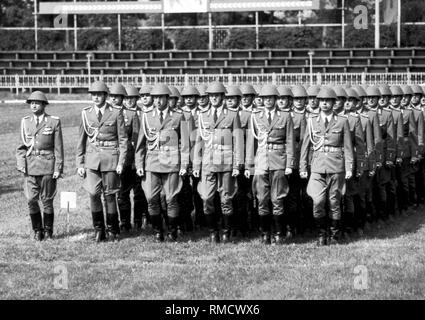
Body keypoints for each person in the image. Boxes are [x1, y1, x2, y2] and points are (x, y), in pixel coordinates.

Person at [135, 84, 190, 242]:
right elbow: (140, 144)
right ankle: (157, 230)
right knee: (151, 198)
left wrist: (184, 164)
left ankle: (172, 231)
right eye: (155, 98)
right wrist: (139, 165)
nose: (158, 101)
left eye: (161, 97)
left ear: (168, 98)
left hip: (172, 163)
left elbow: (185, 144)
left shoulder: (179, 116)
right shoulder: (146, 116)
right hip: (152, 163)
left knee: (171, 199)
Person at [300, 87, 354, 246]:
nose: (324, 104)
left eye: (327, 101)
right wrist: (303, 167)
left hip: (336, 166)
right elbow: (305, 146)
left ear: (333, 102)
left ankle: (334, 236)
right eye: (322, 101)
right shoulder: (311, 121)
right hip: (317, 167)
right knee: (317, 201)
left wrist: (349, 167)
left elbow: (348, 146)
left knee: (334, 202)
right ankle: (321, 235)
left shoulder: (342, 121)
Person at [76, 81, 128, 242]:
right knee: (93, 193)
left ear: (106, 96)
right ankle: (99, 229)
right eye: (93, 94)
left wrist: (121, 162)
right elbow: (81, 141)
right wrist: (80, 163)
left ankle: (113, 229)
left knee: (110, 195)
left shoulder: (115, 112)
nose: (96, 97)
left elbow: (123, 140)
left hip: (111, 158)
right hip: (92, 160)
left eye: (99, 94)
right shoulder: (86, 113)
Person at [193, 81, 244, 243]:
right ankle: (212, 231)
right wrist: (196, 164)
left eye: (217, 95)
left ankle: (225, 232)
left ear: (223, 97)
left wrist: (237, 164)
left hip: (226, 161)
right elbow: (198, 143)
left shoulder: (232, 115)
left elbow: (238, 141)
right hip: (208, 162)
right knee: (207, 198)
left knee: (226, 199)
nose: (214, 98)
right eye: (212, 96)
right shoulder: (202, 116)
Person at [245, 85, 295, 244]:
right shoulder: (255, 116)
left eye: (271, 98)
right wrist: (249, 165)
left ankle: (278, 234)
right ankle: (265, 234)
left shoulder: (285, 116)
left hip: (279, 160)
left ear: (275, 99)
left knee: (278, 199)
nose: (268, 101)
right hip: (261, 161)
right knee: (261, 199)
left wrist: (289, 164)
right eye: (265, 98)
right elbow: (250, 143)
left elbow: (290, 141)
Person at [16, 91, 64, 241]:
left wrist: (58, 168)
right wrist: (21, 163)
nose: (34, 105)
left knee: (47, 200)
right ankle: (37, 230)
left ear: (44, 105)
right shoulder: (25, 122)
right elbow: (21, 147)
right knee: (31, 199)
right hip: (30, 166)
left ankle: (48, 230)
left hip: (48, 164)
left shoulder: (53, 121)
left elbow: (58, 148)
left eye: (37, 103)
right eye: (31, 103)